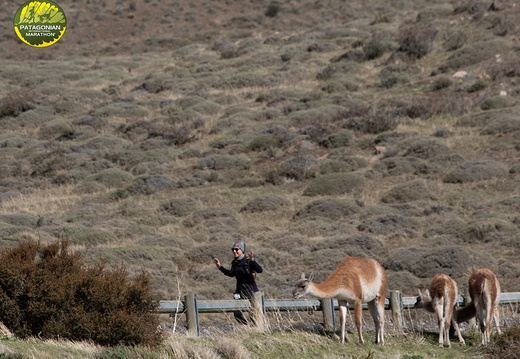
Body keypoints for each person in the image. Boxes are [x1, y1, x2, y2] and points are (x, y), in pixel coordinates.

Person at [213, 240, 263, 324]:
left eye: (236, 249)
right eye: (233, 249)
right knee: (236, 312)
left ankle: (256, 328)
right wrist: (220, 267)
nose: (234, 251)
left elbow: (260, 270)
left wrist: (252, 261)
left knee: (253, 312)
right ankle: (245, 326)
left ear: (242, 250)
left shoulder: (248, 261)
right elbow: (231, 274)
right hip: (239, 291)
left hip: (251, 290)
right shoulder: (234, 262)